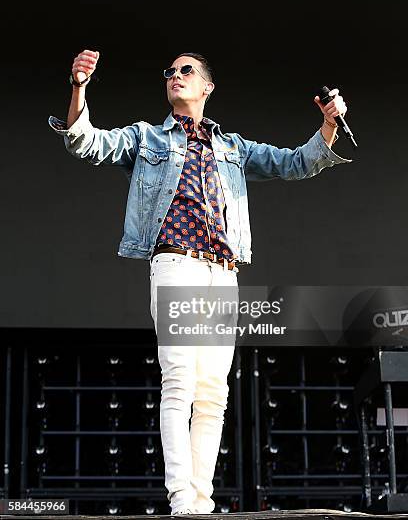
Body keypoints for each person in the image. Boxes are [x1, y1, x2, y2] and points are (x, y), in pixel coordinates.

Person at [48, 49, 351, 514]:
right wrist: (78, 87)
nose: (174, 76)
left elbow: (293, 162)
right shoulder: (147, 137)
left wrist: (330, 124)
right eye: (169, 71)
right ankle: (180, 497)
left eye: (186, 70)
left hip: (222, 269)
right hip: (178, 264)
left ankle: (202, 500)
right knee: (180, 380)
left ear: (207, 87)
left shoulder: (231, 147)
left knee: (213, 390)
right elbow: (84, 141)